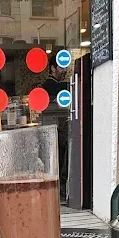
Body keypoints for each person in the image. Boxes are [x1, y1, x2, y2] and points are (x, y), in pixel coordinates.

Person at [42, 53, 70, 198]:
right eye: (62, 67)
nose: (65, 70)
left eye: (66, 67)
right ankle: (57, 189)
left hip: (53, 129)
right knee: (57, 159)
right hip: (56, 129)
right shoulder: (54, 87)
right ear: (53, 68)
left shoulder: (47, 86)